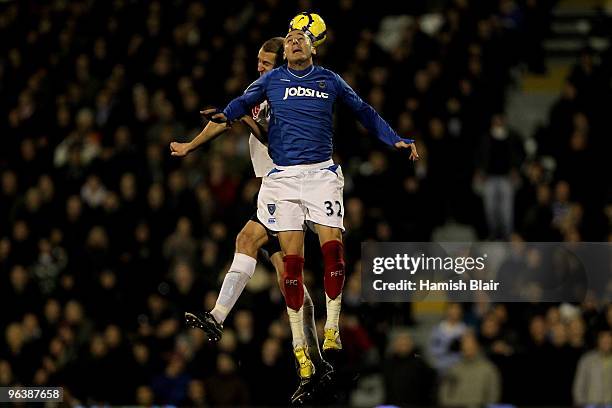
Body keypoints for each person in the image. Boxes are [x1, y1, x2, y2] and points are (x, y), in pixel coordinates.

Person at [209, 26, 418, 403]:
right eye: (289, 37)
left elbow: (364, 112)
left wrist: (394, 138)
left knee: (332, 250)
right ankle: (301, 354)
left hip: (321, 174)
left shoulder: (329, 80)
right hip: (282, 181)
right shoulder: (271, 82)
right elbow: (238, 108)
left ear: (312, 47)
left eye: (300, 37)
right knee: (291, 266)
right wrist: (219, 121)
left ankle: (332, 329)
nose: (293, 40)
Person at [169, 37, 332, 405]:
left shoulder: (291, 96)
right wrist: (191, 145)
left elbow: (279, 145)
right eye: (256, 60)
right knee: (283, 275)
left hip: (291, 190)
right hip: (274, 190)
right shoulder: (259, 88)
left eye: (264, 62)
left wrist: (244, 118)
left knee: (249, 241)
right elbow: (223, 120)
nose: (258, 66)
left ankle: (219, 317)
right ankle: (316, 365)